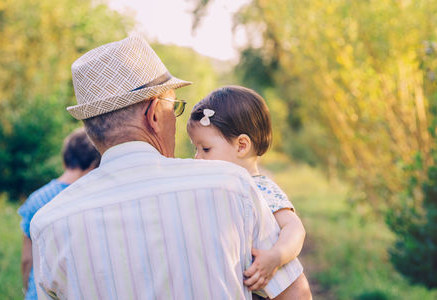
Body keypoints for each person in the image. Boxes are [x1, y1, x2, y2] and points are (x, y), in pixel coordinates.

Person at [30, 34, 311, 299]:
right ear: (153, 114)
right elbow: (295, 295)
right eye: (174, 109)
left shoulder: (48, 225)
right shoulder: (232, 187)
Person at [187, 86, 306, 296]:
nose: (197, 157)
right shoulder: (215, 191)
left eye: (205, 149)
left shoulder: (260, 188)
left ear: (241, 146)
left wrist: (276, 256)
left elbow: (294, 228)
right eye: (195, 148)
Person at [18, 128, 100, 300]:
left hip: (39, 293)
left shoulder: (36, 199)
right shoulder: (93, 197)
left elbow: (27, 259)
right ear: (94, 164)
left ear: (65, 159)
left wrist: (27, 289)